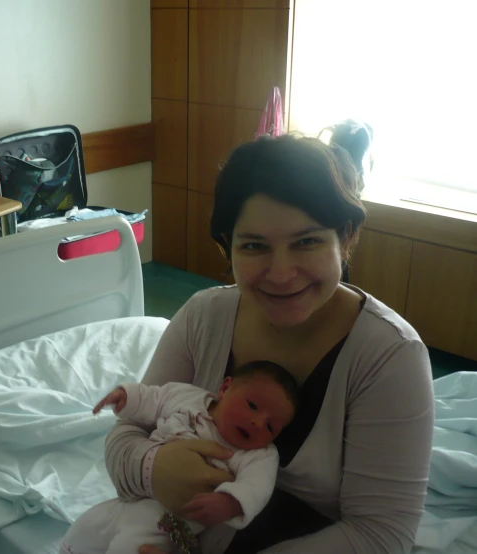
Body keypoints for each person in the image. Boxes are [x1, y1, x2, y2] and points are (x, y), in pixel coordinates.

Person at [104, 134, 435, 554]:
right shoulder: (203, 317)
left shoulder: (389, 357)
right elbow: (123, 440)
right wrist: (153, 468)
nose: (281, 273)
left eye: (307, 241)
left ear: (345, 236)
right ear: (228, 246)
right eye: (254, 246)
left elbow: (381, 535)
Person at [60, 361, 299, 554]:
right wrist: (127, 396)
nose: (258, 423)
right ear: (226, 388)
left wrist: (231, 503)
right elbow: (156, 397)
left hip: (168, 522)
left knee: (131, 547)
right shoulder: (190, 398)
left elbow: (258, 486)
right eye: (252, 405)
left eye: (271, 427)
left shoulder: (257, 455)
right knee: (84, 529)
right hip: (134, 497)